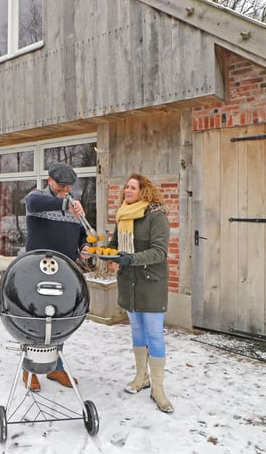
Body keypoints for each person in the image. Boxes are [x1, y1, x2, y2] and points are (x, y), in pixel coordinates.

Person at [108, 173, 174, 413]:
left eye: (133, 187)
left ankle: (158, 388)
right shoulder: (123, 216)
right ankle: (141, 377)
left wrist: (131, 258)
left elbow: (160, 252)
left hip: (151, 283)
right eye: (126, 187)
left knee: (154, 334)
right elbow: (114, 246)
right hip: (129, 283)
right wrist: (96, 252)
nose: (127, 190)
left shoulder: (156, 217)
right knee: (137, 330)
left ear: (144, 191)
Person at [22, 161, 89, 392]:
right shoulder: (37, 197)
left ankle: (55, 367)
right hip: (36, 270)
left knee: (61, 320)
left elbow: (81, 234)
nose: (65, 190)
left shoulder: (74, 204)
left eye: (68, 187)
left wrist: (83, 248)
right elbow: (34, 203)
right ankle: (29, 369)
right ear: (49, 180)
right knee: (35, 320)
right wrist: (64, 204)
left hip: (66, 271)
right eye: (61, 186)